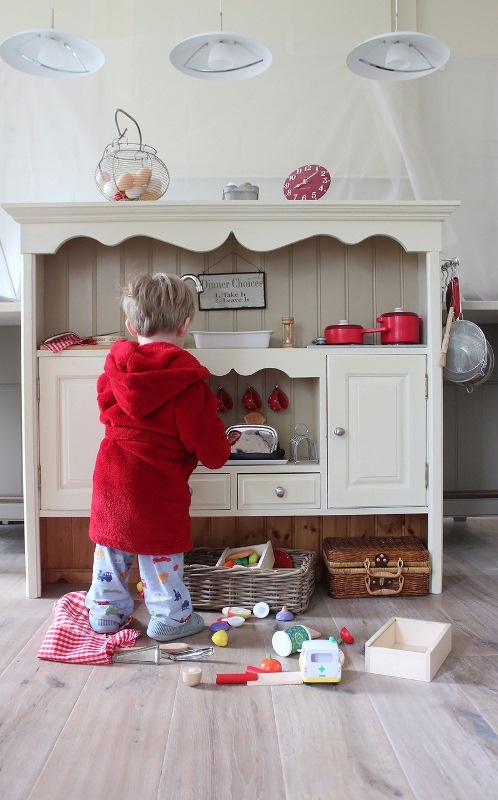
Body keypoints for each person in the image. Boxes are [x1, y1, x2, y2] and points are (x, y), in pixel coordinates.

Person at [85, 272, 232, 642]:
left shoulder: (113, 372)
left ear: (131, 325)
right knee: (160, 554)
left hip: (112, 478)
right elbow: (210, 448)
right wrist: (222, 446)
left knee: (112, 547)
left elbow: (106, 412)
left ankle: (106, 612)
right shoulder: (188, 384)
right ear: (185, 325)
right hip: (157, 488)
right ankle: (171, 618)